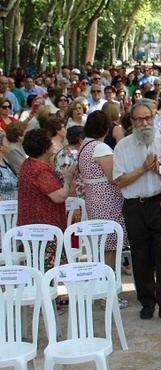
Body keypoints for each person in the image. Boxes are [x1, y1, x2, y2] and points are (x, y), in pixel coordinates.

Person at [113, 101, 161, 320]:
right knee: (140, 257)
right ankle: (147, 302)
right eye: (139, 119)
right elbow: (120, 180)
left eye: (148, 118)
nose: (144, 123)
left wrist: (159, 169)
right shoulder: (123, 146)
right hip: (134, 205)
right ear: (132, 122)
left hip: (159, 203)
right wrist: (142, 169)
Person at [78, 111, 129, 306]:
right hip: (106, 200)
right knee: (110, 248)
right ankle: (108, 293)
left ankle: (103, 291)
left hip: (94, 198)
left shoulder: (85, 146)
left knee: (103, 246)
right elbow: (114, 176)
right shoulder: (100, 148)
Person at [17, 129, 75, 270]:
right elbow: (59, 196)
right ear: (46, 148)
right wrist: (67, 179)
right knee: (47, 272)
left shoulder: (28, 164)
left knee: (38, 270)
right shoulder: (40, 170)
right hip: (44, 230)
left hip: (32, 226)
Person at [0, 132, 18, 200]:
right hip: (4, 208)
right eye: (7, 142)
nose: (9, 144)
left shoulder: (6, 160)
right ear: (1, 147)